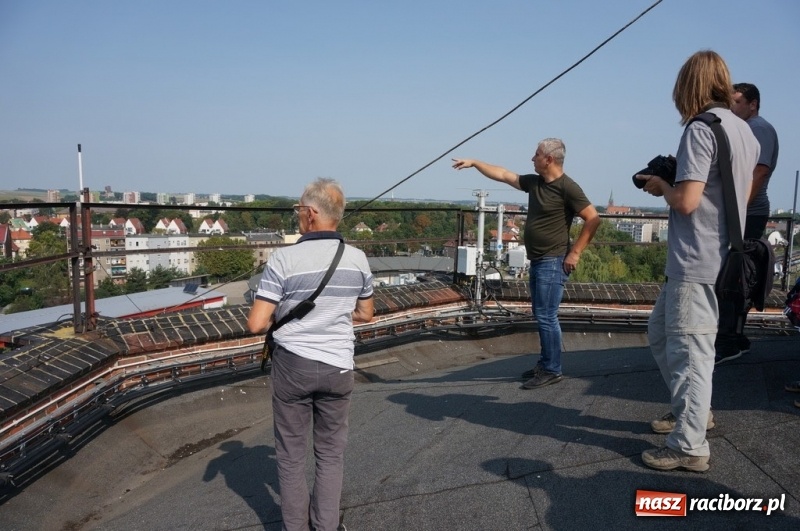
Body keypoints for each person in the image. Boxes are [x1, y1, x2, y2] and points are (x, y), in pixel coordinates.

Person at [637, 51, 759, 472]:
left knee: (690, 352)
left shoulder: (699, 128)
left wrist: (661, 187)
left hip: (695, 257)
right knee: (661, 333)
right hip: (721, 256)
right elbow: (739, 197)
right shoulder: (745, 130)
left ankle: (689, 446)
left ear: (687, 87)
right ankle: (694, 411)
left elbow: (687, 202)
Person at [247, 178, 374, 531]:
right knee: (330, 455)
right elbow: (365, 314)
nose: (298, 216)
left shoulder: (284, 258)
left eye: (300, 210)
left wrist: (287, 311)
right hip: (338, 367)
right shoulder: (358, 259)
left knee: (290, 457)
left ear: (313, 214)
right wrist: (331, 314)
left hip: (293, 367)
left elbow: (256, 324)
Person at [452, 138, 600, 389]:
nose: (532, 159)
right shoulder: (535, 183)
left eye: (536, 155)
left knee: (546, 316)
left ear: (549, 159)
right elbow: (503, 174)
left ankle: (552, 369)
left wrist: (575, 253)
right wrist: (476, 163)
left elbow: (593, 219)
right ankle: (546, 363)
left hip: (553, 261)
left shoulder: (568, 188)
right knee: (542, 314)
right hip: (540, 259)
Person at [715, 82, 780, 364]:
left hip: (749, 213)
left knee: (736, 276)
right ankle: (734, 338)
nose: (732, 107)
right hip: (747, 212)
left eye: (737, 102)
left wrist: (738, 208)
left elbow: (760, 170)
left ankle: (730, 340)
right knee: (736, 274)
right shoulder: (749, 128)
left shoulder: (758, 129)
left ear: (752, 104)